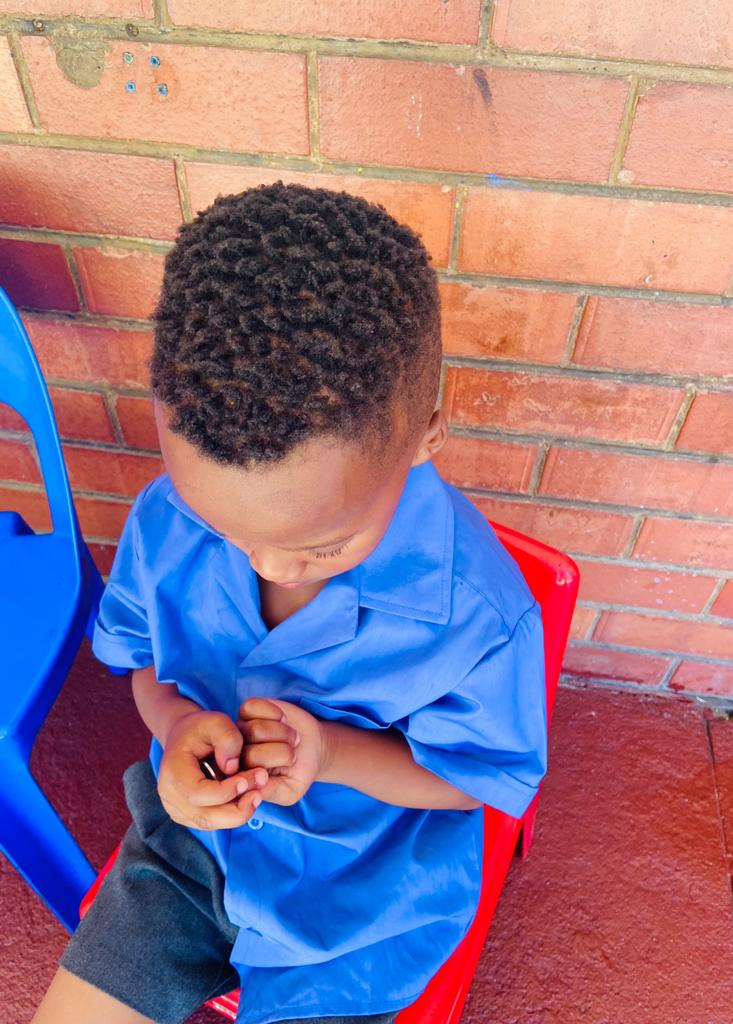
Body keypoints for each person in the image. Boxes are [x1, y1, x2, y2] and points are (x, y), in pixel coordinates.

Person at [33, 183, 547, 1024]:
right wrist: (174, 725)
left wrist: (332, 753)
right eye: (223, 527)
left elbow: (473, 781)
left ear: (426, 434)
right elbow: (144, 664)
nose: (270, 563)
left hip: (361, 908)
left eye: (325, 544)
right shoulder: (164, 519)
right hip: (190, 852)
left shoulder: (481, 617)